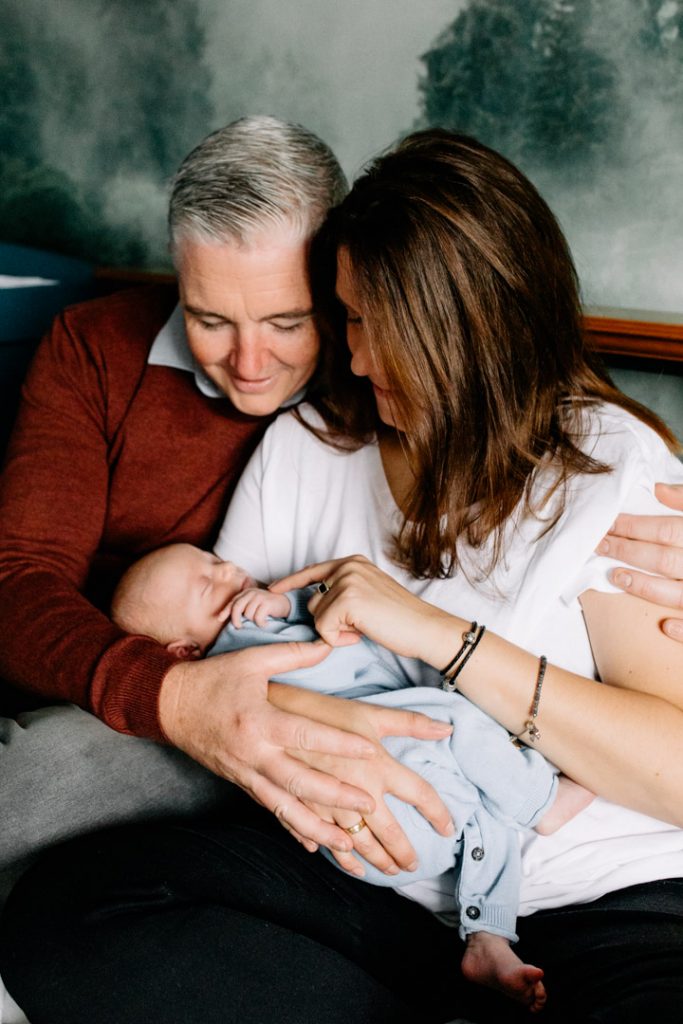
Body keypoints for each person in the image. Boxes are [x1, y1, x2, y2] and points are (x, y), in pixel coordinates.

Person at [2, 129, 682, 1024]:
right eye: (350, 319)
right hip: (382, 893)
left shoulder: (603, 467)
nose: (351, 359)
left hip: (595, 898)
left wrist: (436, 635)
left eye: (365, 327)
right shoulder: (307, 444)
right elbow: (239, 661)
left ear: (463, 331)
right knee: (70, 911)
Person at [0, 116, 463, 905]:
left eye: (287, 322)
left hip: (308, 710)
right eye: (209, 320)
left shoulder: (378, 370)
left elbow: (524, 405)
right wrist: (174, 697)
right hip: (127, 688)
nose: (249, 366)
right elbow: (18, 579)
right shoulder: (95, 347)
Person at [111, 540, 595, 1010]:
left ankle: (487, 937)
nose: (227, 572)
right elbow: (325, 608)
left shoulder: (241, 636)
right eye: (207, 586)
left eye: (214, 560)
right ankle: (542, 801)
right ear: (184, 653)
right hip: (376, 794)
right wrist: (280, 601)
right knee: (453, 718)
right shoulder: (241, 640)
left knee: (484, 812)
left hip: (383, 836)